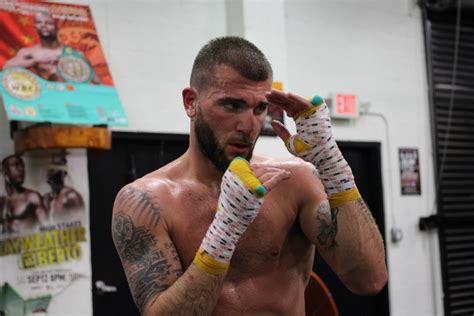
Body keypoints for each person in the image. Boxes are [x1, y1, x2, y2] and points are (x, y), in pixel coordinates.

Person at [111, 36, 388, 315]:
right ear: (190, 102)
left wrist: (332, 164)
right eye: (232, 105)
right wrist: (225, 231)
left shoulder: (295, 182)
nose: (248, 125)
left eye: (259, 109)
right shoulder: (147, 201)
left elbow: (369, 280)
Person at [3, 11, 98, 84]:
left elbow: (97, 81)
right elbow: (6, 67)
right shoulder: (30, 52)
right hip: (48, 98)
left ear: (57, 27)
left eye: (48, 23)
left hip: (73, 96)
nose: (43, 25)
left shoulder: (75, 53)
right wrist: (36, 59)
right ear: (35, 26)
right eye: (39, 22)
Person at [1, 155, 48, 233]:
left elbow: (48, 228)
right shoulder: (2, 202)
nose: (21, 169)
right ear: (4, 171)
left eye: (22, 166)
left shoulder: (32, 197)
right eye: (16, 165)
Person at [43, 155, 84, 223]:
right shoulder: (46, 198)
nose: (50, 169)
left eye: (55, 165)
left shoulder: (71, 196)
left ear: (64, 172)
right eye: (49, 165)